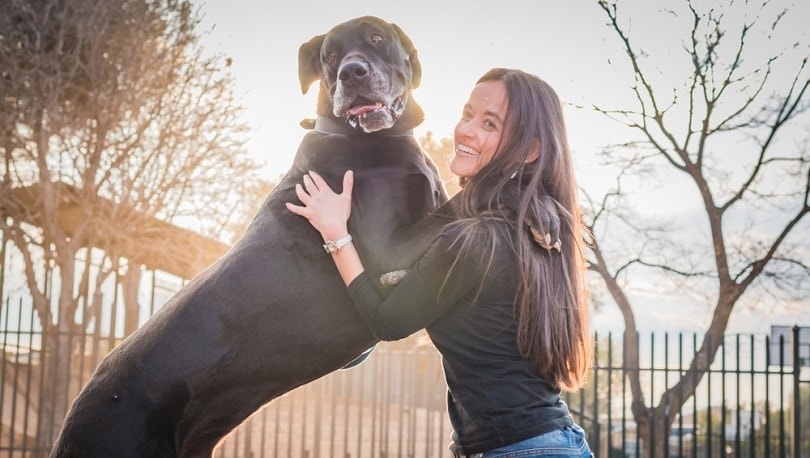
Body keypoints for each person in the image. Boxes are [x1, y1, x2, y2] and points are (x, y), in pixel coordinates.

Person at [286, 67, 594, 457]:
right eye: (467, 115)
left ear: (530, 149)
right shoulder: (539, 230)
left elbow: (387, 321)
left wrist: (336, 234)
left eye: (489, 124)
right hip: (550, 442)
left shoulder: (475, 240)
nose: (466, 131)